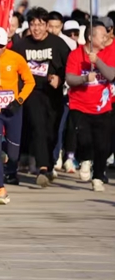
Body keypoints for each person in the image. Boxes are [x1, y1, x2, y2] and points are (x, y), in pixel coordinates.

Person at [13, 7, 71, 184]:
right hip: (31, 93)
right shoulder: (21, 45)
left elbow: (71, 67)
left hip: (53, 94)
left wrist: (60, 79)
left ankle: (49, 164)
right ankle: (43, 168)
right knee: (38, 127)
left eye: (40, 24)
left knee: (52, 131)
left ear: (46, 25)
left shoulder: (58, 44)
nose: (36, 28)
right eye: (33, 24)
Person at [0, 27, 35, 201]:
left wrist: (19, 101)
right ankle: (0, 190)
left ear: (6, 44)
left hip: (13, 110)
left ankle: (8, 159)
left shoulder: (16, 58)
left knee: (13, 154)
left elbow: (29, 82)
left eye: (0, 46)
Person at [64, 21, 115, 191]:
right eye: (102, 36)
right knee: (84, 140)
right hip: (80, 106)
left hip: (102, 108)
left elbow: (110, 75)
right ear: (90, 38)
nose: (106, 38)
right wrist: (84, 79)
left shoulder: (108, 52)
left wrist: (97, 61)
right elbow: (70, 79)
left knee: (103, 145)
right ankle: (85, 158)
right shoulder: (75, 55)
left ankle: (98, 176)